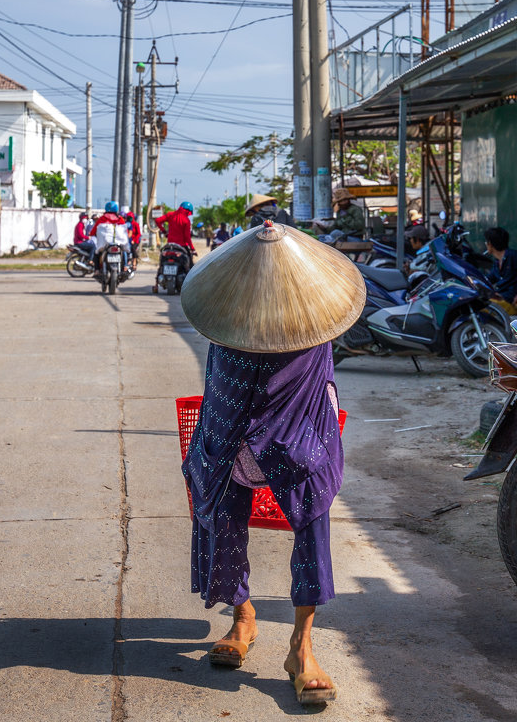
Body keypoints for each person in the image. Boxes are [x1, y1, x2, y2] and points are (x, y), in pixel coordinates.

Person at [179, 221, 366, 706]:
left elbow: (320, 392)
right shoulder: (225, 328)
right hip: (231, 443)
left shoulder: (316, 328)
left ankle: (301, 648)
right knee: (223, 515)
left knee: (312, 527)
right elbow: (218, 393)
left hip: (299, 443)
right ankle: (243, 616)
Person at [156, 201, 196, 281]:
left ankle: (157, 282)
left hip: (169, 245)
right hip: (181, 246)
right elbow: (187, 237)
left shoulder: (171, 215)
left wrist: (164, 231)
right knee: (190, 264)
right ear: (188, 211)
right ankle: (190, 281)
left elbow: (157, 221)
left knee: (161, 263)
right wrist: (192, 248)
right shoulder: (186, 220)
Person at [485, 226, 517, 313]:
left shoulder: (513, 256)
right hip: (500, 298)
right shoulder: (496, 262)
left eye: (486, 242)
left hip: (510, 302)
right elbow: (488, 280)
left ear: (490, 244)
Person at [89, 201, 129, 270]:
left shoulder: (102, 218)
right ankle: (125, 266)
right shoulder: (120, 219)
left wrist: (92, 234)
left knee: (97, 253)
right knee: (124, 251)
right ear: (116, 210)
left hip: (105, 244)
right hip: (118, 243)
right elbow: (125, 232)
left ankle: (97, 270)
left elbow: (94, 231)